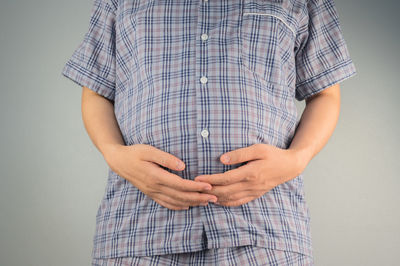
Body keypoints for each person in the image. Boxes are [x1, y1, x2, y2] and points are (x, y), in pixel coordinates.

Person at [61, 0, 357, 265]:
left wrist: (296, 159)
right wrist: (114, 154)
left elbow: (325, 94)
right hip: (138, 228)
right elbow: (96, 91)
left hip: (265, 228)